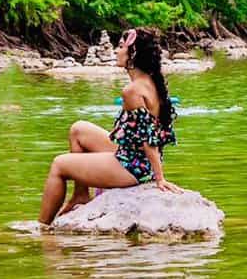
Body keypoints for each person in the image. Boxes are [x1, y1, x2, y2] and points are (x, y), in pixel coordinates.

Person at [38, 28, 182, 225]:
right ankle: (80, 195)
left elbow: (149, 140)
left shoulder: (132, 91)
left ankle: (42, 229)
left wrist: (159, 179)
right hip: (135, 155)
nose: (115, 51)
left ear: (133, 54)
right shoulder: (150, 81)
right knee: (78, 129)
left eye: (121, 47)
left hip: (134, 166)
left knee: (59, 164)